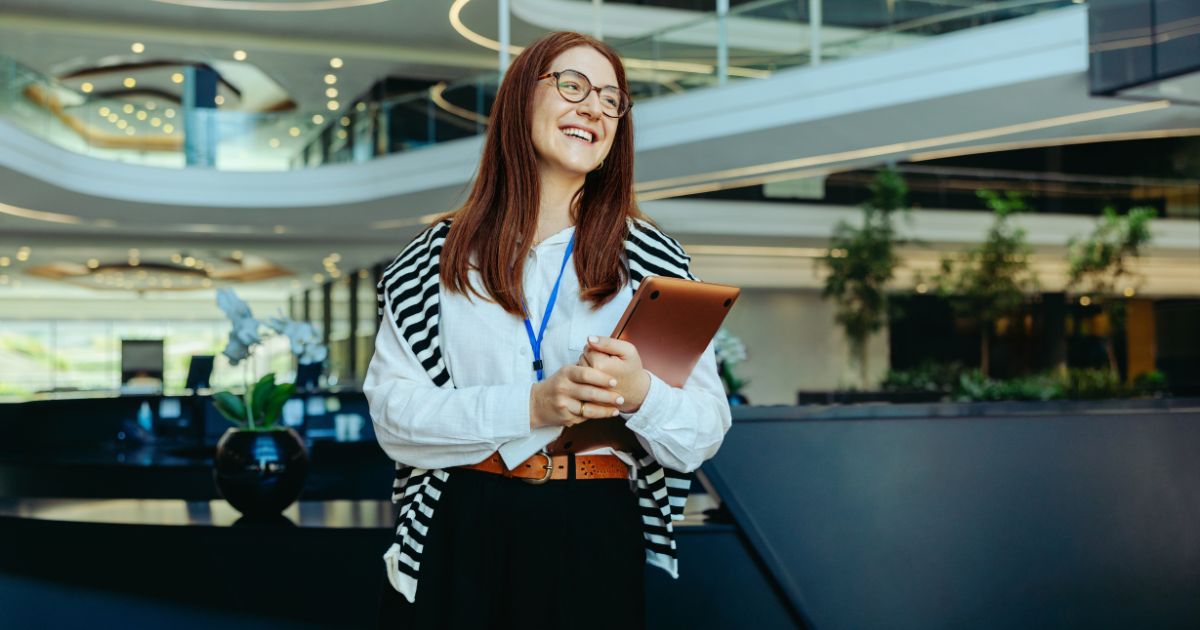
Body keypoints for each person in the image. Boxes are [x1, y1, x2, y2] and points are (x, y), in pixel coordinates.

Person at [365, 31, 732, 629]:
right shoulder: (433, 258)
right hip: (461, 521)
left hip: (593, 525)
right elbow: (394, 419)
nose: (593, 107)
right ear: (519, 100)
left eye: (612, 99)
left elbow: (704, 432)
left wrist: (641, 396)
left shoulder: (652, 264)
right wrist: (530, 405)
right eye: (572, 85)